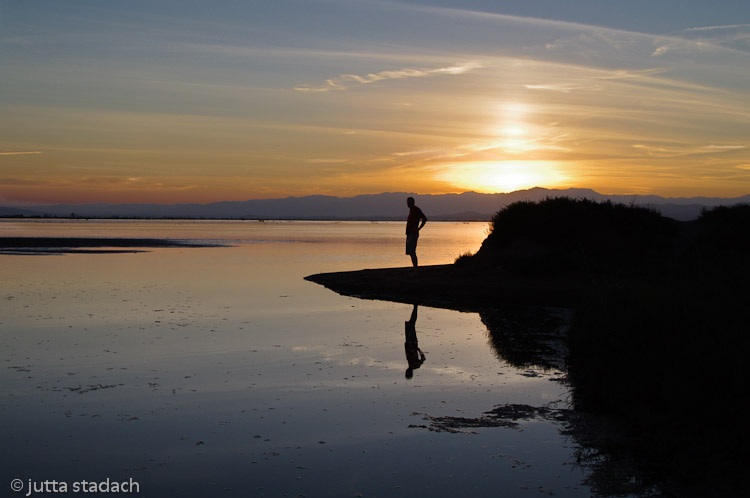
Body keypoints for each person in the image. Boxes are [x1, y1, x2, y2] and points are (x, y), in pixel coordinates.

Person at [405, 196, 427, 268]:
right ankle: (415, 268)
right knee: (411, 252)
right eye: (408, 202)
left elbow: (424, 219)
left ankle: (416, 269)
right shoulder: (411, 210)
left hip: (413, 234)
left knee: (412, 252)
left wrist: (419, 228)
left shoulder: (416, 210)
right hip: (410, 233)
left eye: (410, 202)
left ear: (413, 202)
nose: (409, 204)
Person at [404, 304, 425, 379]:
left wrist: (418, 350)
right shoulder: (415, 365)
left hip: (411, 342)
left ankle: (415, 307)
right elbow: (423, 358)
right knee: (411, 324)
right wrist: (419, 350)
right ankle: (415, 307)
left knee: (411, 324)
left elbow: (423, 358)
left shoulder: (413, 364)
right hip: (412, 342)